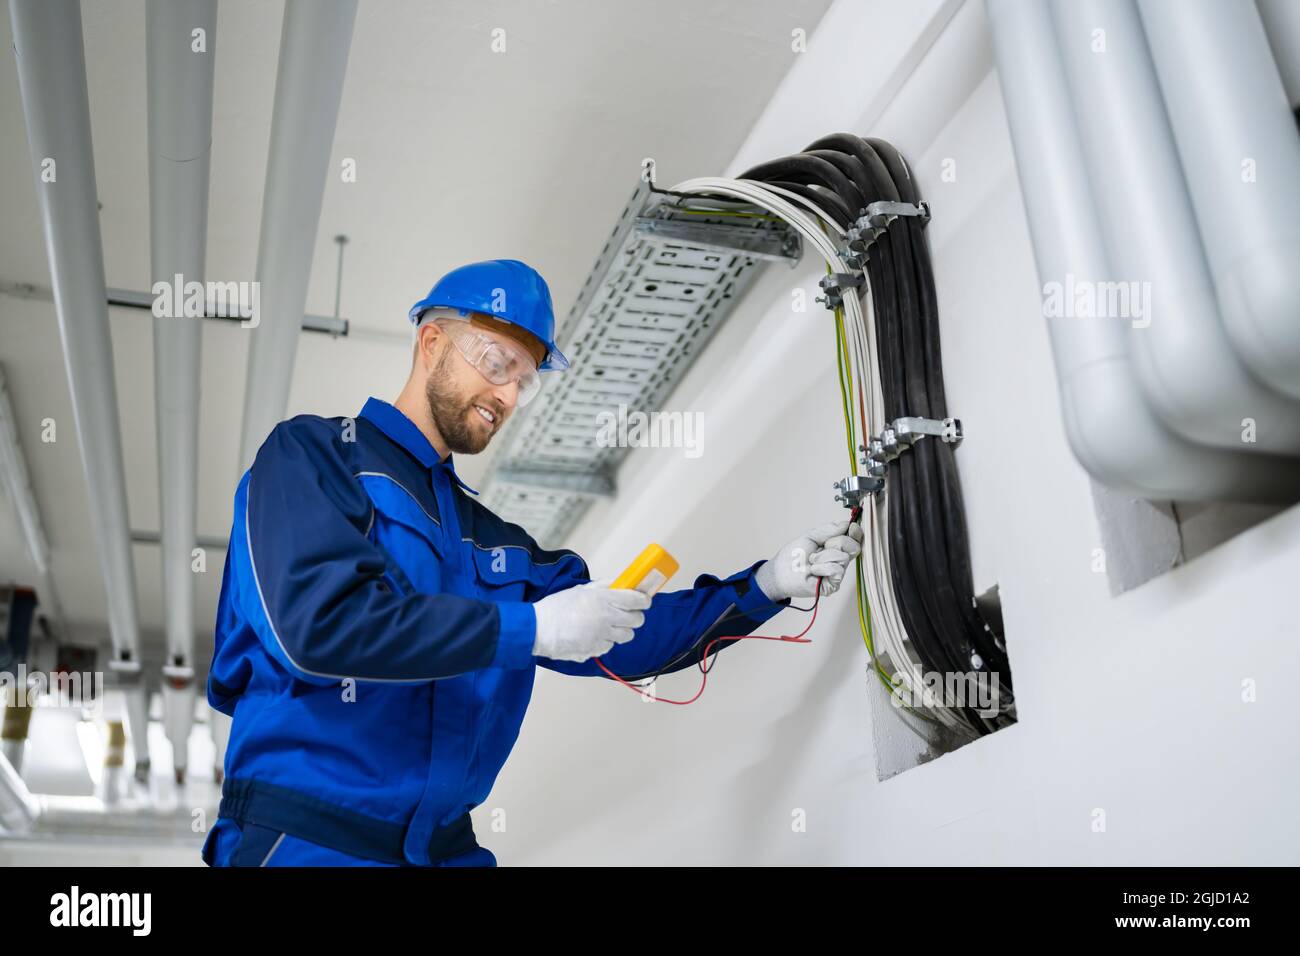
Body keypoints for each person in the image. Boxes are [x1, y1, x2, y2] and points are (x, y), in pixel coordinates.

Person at [202, 259, 862, 866]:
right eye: (496, 363)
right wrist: (533, 630)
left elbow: (631, 636)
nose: (509, 395)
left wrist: (768, 583)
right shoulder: (314, 458)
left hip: (441, 849)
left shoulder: (500, 543)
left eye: (524, 378)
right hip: (310, 838)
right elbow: (318, 626)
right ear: (431, 344)